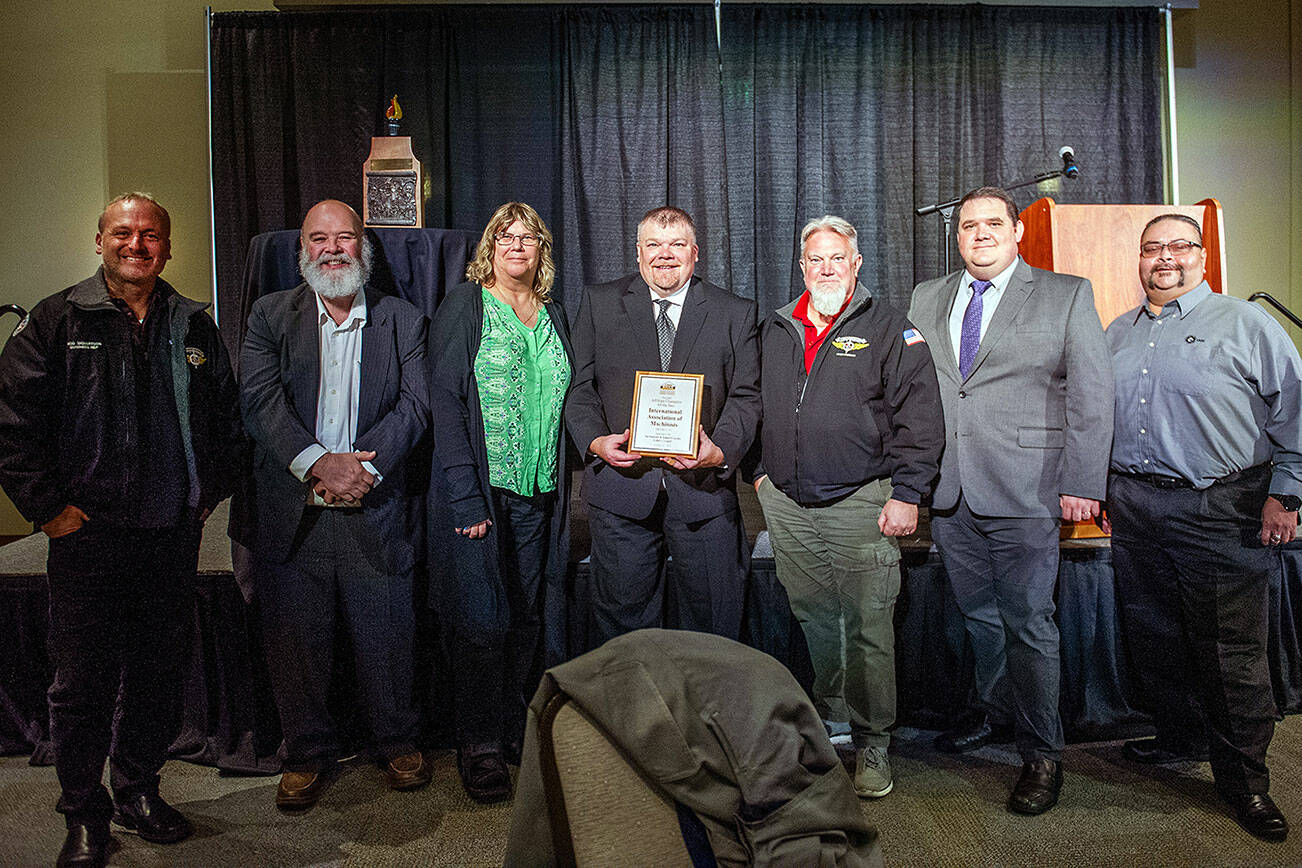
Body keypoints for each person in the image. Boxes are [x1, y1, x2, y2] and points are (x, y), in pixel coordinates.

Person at [0, 193, 242, 867]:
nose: (138, 244)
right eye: (124, 232)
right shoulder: (58, 320)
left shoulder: (192, 324)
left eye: (152, 235)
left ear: (167, 247)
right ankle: (84, 814)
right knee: (81, 685)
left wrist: (206, 494)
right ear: (99, 240)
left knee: (158, 674)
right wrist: (48, 509)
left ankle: (139, 788)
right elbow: (12, 425)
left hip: (169, 534)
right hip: (87, 539)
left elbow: (225, 420)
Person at [907, 186, 1114, 815]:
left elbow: (1092, 394)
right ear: (957, 234)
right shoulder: (926, 297)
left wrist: (1082, 483)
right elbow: (917, 392)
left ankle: (1042, 754)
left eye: (993, 223)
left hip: (1028, 487)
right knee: (980, 618)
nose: (980, 234)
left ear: (1016, 231)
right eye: (968, 225)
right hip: (951, 491)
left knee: (1028, 621)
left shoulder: (1065, 293)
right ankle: (997, 713)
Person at [1102, 213, 1300, 842]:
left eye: (1179, 246)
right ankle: (1179, 739)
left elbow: (1296, 412)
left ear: (1203, 255)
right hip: (1135, 508)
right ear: (1139, 260)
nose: (1166, 258)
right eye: (1152, 248)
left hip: (1222, 509)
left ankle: (1246, 784)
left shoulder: (1247, 324)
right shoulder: (1115, 332)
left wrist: (1287, 495)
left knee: (1229, 654)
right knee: (1156, 635)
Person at [239, 199, 431, 810]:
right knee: (298, 641)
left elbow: (417, 406)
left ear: (363, 248)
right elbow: (260, 402)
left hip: (375, 503)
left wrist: (362, 468)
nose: (333, 249)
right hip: (298, 507)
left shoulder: (402, 319)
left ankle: (397, 741)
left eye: (345, 238)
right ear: (302, 250)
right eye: (319, 239)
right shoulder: (270, 315)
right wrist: (319, 464)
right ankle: (306, 753)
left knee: (388, 635)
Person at [751, 216, 944, 799]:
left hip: (862, 500)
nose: (827, 268)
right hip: (786, 504)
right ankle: (833, 721)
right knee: (815, 617)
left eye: (838, 258)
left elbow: (921, 419)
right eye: (816, 259)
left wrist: (908, 493)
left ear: (857, 264)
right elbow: (750, 405)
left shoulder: (890, 329)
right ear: (801, 266)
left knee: (868, 628)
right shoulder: (777, 328)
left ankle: (874, 743)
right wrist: (759, 476)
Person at [428, 202, 575, 803]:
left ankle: (516, 729)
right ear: (490, 247)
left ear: (542, 250)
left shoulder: (555, 314)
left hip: (539, 496)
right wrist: (465, 497)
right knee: (481, 623)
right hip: (482, 496)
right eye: (506, 236)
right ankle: (479, 743)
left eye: (530, 237)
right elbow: (444, 400)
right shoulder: (466, 307)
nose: (518, 245)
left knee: (526, 618)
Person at [565, 206, 761, 644]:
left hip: (703, 494)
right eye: (653, 244)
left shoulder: (736, 312)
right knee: (625, 633)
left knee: (714, 629)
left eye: (676, 245)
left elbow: (747, 397)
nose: (664, 255)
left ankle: (707, 714)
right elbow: (578, 388)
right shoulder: (600, 303)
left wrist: (720, 451)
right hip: (621, 491)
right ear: (638, 254)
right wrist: (596, 441)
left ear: (695, 253)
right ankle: (635, 713)